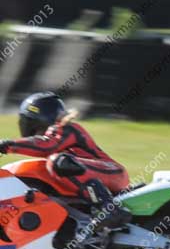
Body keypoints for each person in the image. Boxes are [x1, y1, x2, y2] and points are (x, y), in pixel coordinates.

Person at [0, 92, 131, 235]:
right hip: (93, 177)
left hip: (111, 171)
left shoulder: (67, 128)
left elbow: (46, 145)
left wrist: (7, 145)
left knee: (58, 161)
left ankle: (110, 210)